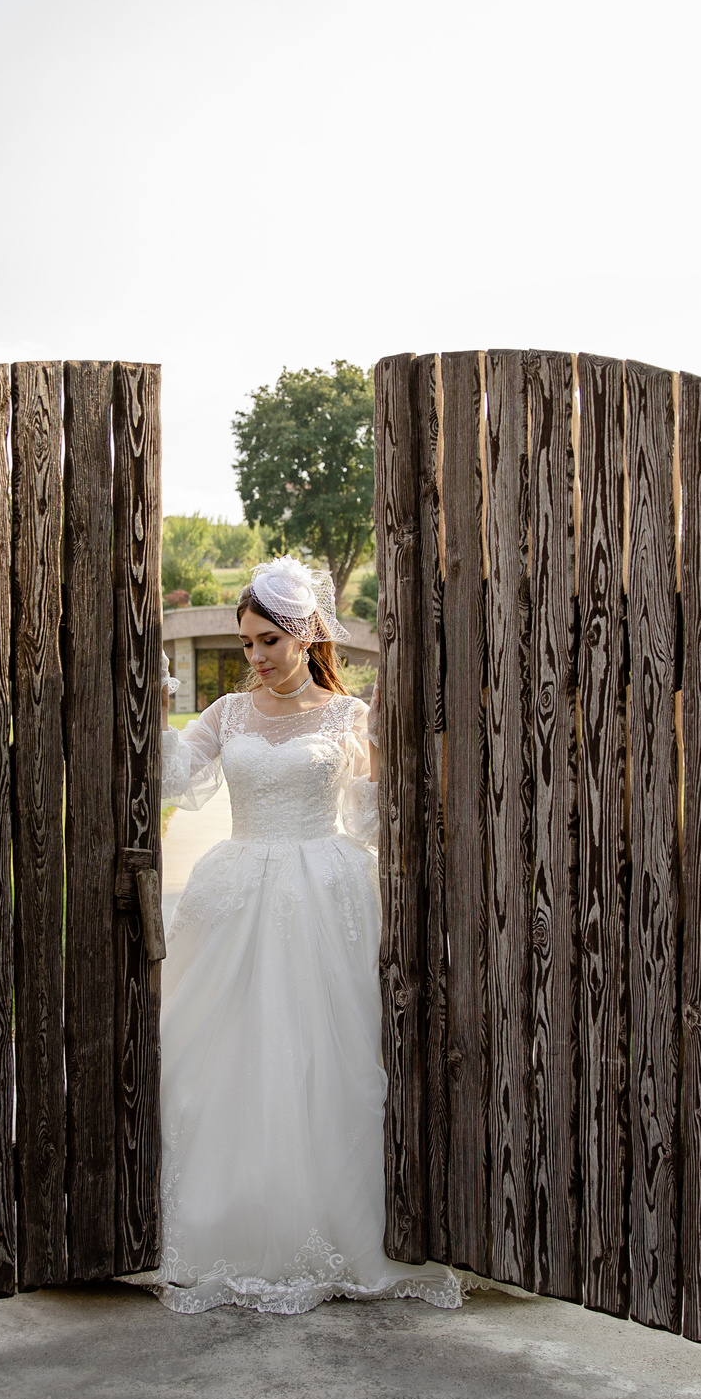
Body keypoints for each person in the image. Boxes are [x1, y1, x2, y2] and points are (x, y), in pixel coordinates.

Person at [131, 555, 461, 1316]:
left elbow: (381, 818)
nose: (256, 658)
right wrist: (151, 705)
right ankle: (222, 1220)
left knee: (327, 1055)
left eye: (268, 642)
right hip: (237, 889)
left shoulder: (351, 717)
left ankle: (336, 1225)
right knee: (222, 1051)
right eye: (246, 643)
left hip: (326, 893)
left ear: (307, 635)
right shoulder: (229, 713)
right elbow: (174, 772)